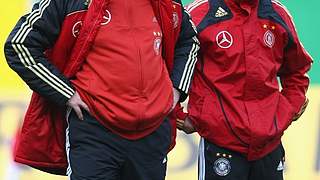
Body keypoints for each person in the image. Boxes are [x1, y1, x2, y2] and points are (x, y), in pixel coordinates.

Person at [4, 0, 199, 179]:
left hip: (152, 132)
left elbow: (189, 42)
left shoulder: (168, 3)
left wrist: (176, 89)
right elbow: (20, 45)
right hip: (94, 128)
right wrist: (66, 93)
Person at [174, 0, 312, 179]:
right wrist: (178, 114)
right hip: (220, 146)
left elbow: (297, 69)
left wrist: (285, 111)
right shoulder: (201, 13)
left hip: (269, 147)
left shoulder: (277, 13)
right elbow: (168, 62)